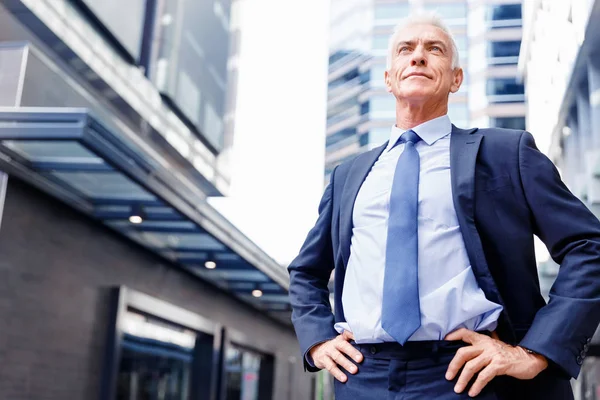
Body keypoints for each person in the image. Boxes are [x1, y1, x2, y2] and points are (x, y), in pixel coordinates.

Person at [288, 11, 600, 399]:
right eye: (406, 49)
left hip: (468, 377)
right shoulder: (348, 175)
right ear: (389, 79)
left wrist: (535, 351)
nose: (418, 56)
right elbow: (306, 271)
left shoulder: (507, 153)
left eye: (434, 49)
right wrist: (317, 340)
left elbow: (589, 247)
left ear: (456, 79)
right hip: (362, 377)